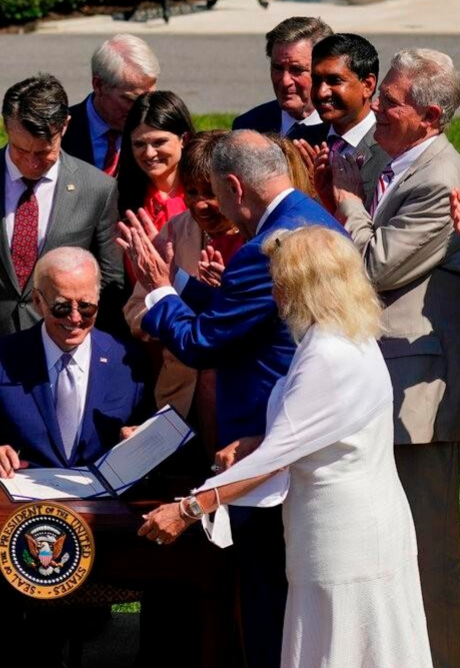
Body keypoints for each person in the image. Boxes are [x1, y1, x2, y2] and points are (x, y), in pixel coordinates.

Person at [139, 225, 434, 668]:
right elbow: (323, 428)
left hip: (342, 537)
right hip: (355, 524)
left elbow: (277, 457)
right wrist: (256, 440)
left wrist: (187, 510)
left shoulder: (327, 353)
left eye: (279, 280)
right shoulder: (343, 334)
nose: (273, 291)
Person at [117, 129, 345, 668]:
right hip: (300, 438)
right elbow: (249, 320)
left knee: (268, 605)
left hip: (265, 448)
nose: (215, 209)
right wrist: (177, 279)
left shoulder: (264, 248)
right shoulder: (312, 220)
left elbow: (204, 343)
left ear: (236, 186)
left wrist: (156, 288)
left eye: (216, 195)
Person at [0, 247, 150, 668]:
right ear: (37, 301)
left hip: (104, 533)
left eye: (88, 307)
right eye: (62, 306)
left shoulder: (125, 360)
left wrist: (140, 440)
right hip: (18, 532)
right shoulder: (1, 358)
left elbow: (155, 437)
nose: (76, 318)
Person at [320, 48, 460, 668]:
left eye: (391, 100)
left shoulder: (438, 177)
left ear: (429, 116)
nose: (376, 105)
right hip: (382, 390)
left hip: (419, 404)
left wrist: (348, 203)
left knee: (429, 562)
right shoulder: (399, 163)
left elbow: (371, 269)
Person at [0, 73, 126, 369]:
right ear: (5, 126)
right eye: (20, 150)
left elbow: (109, 279)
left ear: (64, 126)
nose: (30, 163)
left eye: (43, 153)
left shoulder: (97, 189)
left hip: (62, 354)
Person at [123, 129, 242, 455]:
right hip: (176, 401)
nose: (200, 204)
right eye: (191, 192)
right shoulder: (175, 231)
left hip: (235, 403)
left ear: (233, 188)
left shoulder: (255, 237)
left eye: (210, 193)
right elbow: (134, 309)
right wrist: (173, 318)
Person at [298, 33, 388, 210]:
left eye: (334, 81)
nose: (321, 92)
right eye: (316, 81)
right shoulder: (301, 141)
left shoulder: (390, 152)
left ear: (368, 85)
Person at [61, 34, 160, 175]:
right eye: (130, 100)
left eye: (149, 98)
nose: (143, 109)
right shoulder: (59, 133)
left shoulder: (162, 132)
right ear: (98, 85)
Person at [233, 17, 332, 145]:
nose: (285, 81)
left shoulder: (342, 130)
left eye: (296, 70)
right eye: (278, 68)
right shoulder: (248, 127)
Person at [117, 91, 195, 239]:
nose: (149, 153)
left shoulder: (209, 193)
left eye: (159, 142)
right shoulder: (116, 199)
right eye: (139, 144)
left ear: (184, 139)